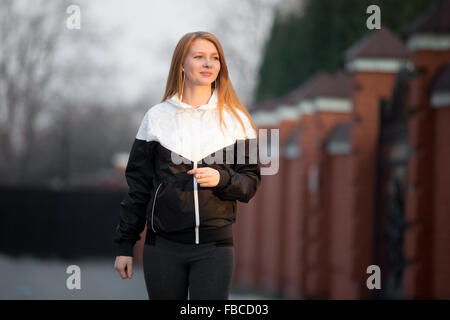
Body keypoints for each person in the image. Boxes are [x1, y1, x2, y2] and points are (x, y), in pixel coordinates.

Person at [113, 31, 261, 300]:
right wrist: (125, 245)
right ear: (182, 63)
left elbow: (250, 184)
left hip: (215, 248)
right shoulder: (156, 118)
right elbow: (138, 189)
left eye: (215, 58)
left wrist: (222, 179)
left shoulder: (238, 120)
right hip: (162, 248)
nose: (208, 64)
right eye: (199, 57)